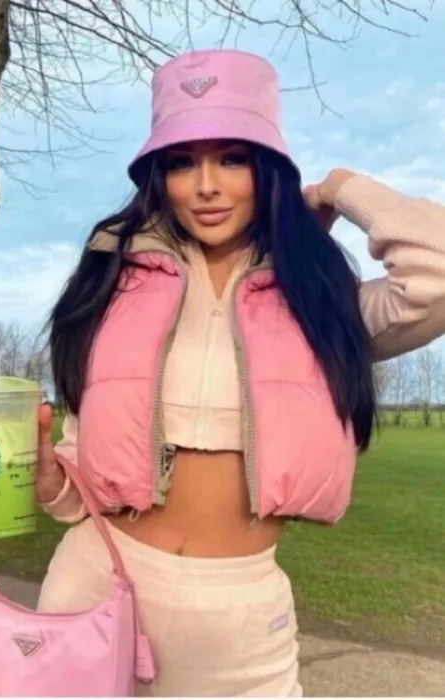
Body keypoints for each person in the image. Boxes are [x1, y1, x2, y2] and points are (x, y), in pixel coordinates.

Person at [36, 49, 445, 696]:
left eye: (232, 158)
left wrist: (341, 187)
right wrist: (52, 479)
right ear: (158, 176)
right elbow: (79, 466)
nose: (206, 185)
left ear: (269, 167)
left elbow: (435, 273)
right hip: (94, 587)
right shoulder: (111, 281)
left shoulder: (320, 299)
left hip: (241, 622)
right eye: (181, 162)